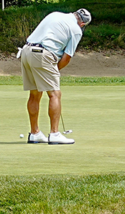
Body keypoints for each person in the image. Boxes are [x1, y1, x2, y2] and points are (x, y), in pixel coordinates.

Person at [18, 8, 91, 145]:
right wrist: (54, 70)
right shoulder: (76, 30)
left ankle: (35, 133)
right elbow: (66, 58)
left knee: (35, 94)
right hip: (43, 54)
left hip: (26, 52)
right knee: (55, 94)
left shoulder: (55, 14)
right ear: (82, 24)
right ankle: (54, 134)